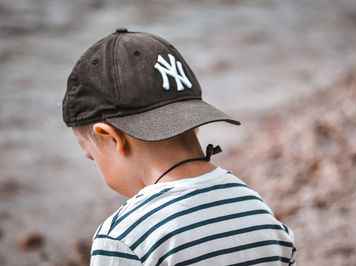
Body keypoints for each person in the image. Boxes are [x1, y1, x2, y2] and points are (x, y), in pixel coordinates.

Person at [62, 28, 296, 265]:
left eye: (92, 157)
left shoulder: (123, 238)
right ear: (194, 124)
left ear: (112, 138)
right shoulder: (255, 207)